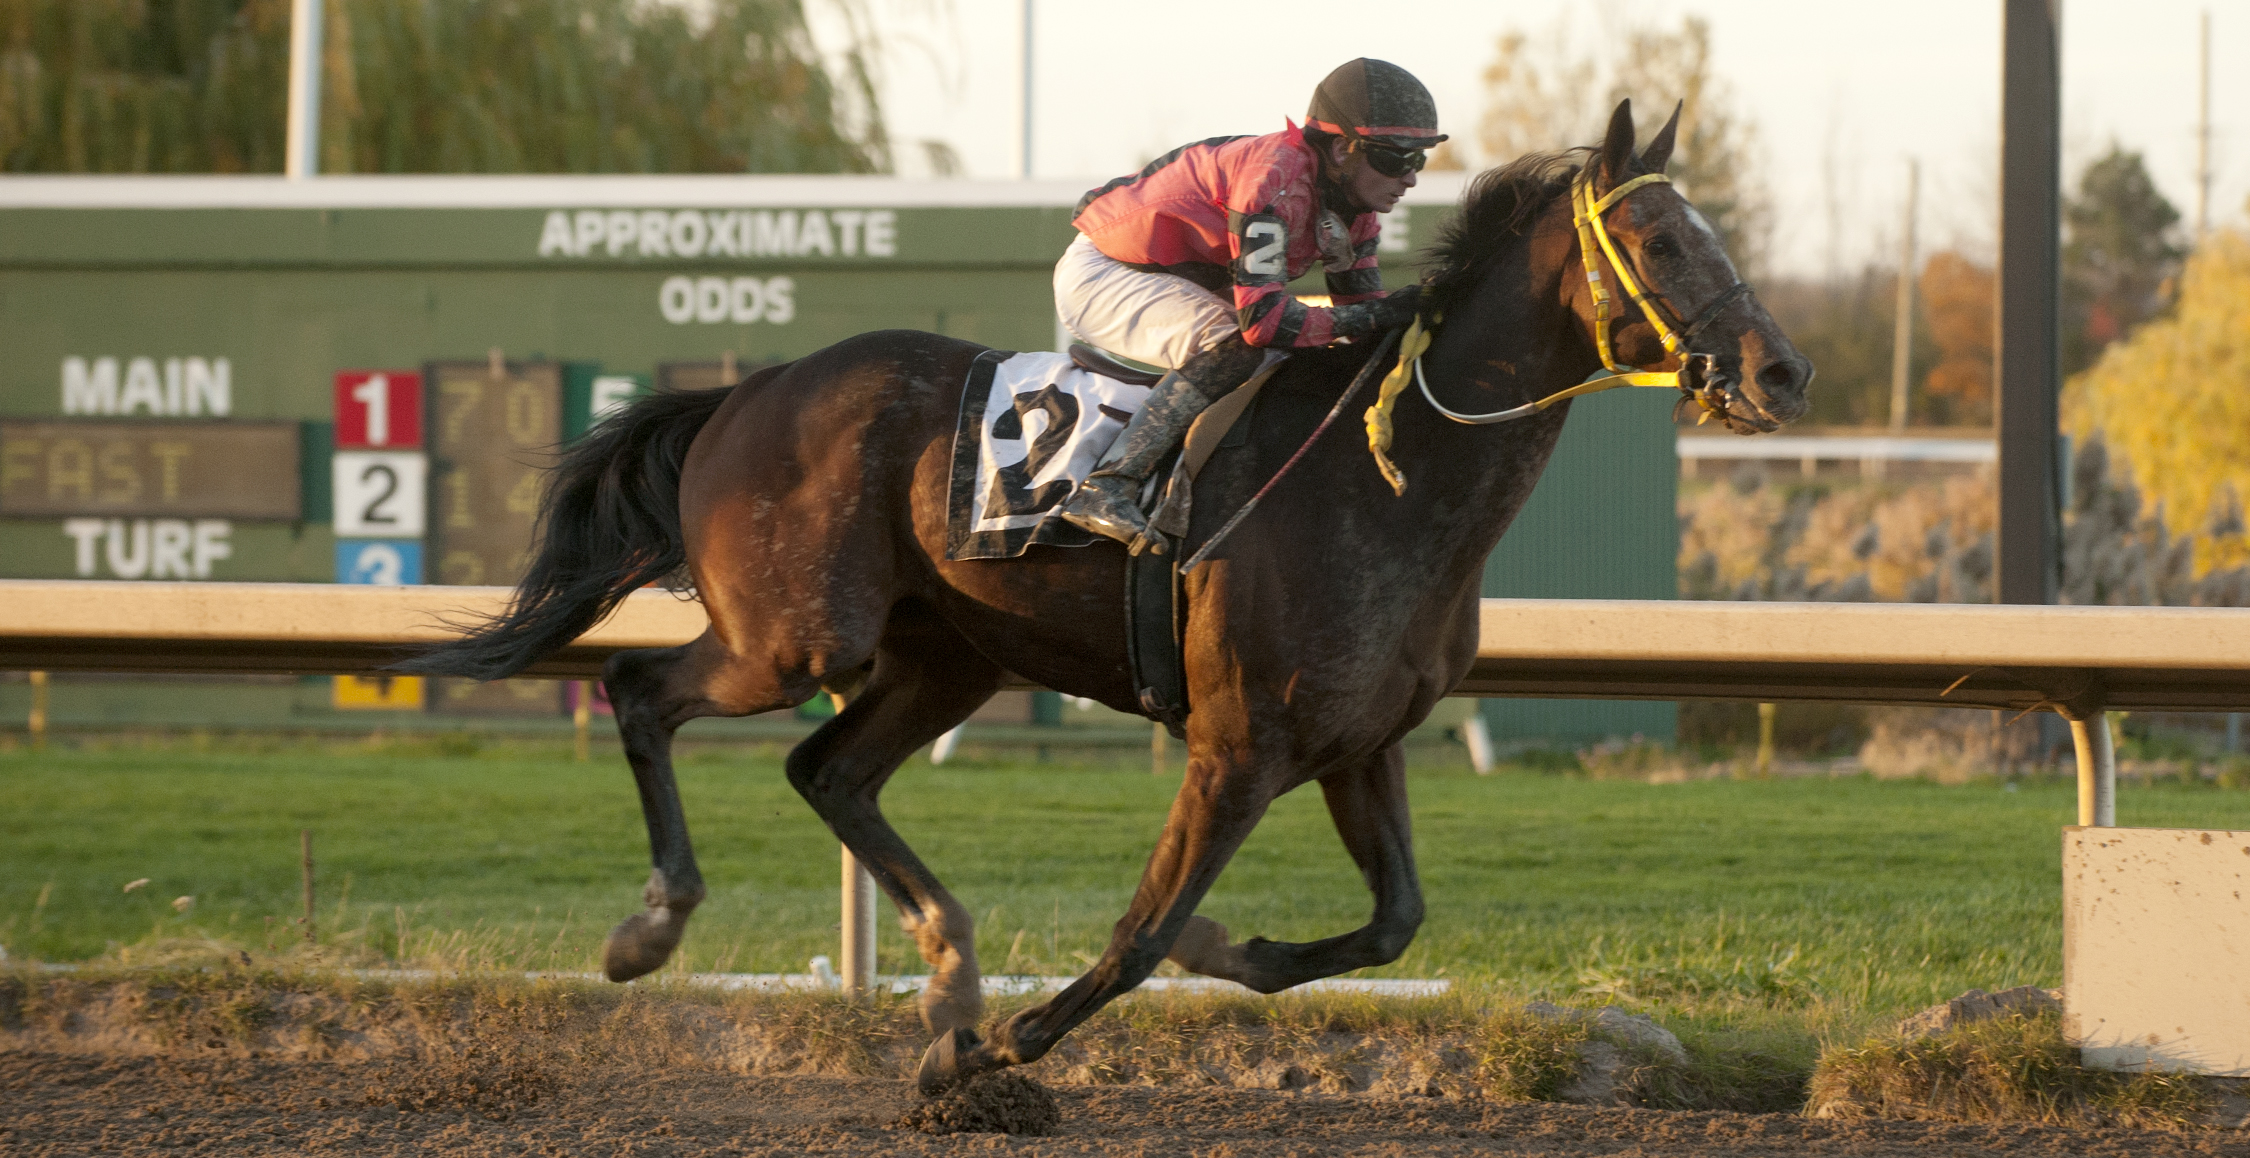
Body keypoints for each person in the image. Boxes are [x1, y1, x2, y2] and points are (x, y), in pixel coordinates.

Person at [1053, 58, 1445, 552]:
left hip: (1183, 277)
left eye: (1419, 160)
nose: (1409, 178)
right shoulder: (1275, 179)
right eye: (1395, 159)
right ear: (1344, 149)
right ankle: (1108, 484)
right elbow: (1263, 323)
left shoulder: (1358, 213)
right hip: (1108, 271)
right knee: (1237, 345)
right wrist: (1380, 313)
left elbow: (1364, 328)